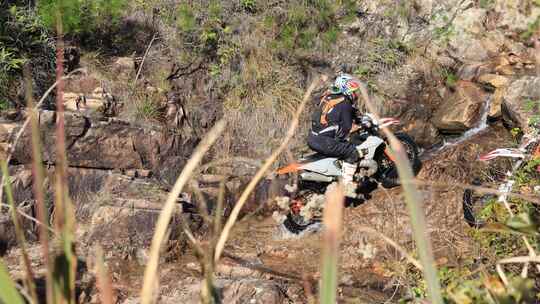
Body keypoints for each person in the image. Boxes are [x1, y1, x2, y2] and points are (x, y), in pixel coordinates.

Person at [307, 74, 364, 197]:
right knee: (352, 152)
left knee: (340, 144)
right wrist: (359, 126)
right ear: (347, 90)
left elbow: (336, 114)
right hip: (324, 142)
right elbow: (347, 128)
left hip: (313, 138)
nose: (356, 95)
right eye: (354, 91)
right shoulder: (345, 103)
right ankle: (347, 187)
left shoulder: (328, 97)